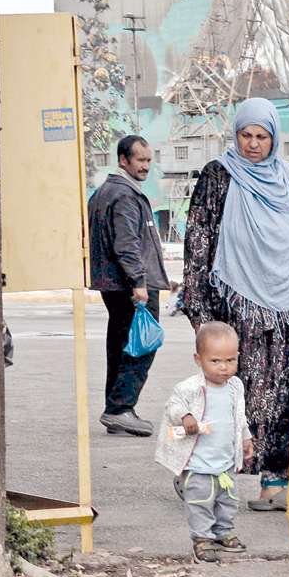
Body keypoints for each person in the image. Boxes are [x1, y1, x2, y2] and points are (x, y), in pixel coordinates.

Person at [182, 97, 289, 512]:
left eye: (262, 136)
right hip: (242, 302)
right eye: (246, 135)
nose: (253, 144)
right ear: (236, 133)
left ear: (274, 137)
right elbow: (199, 240)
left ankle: (275, 485)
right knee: (238, 394)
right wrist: (200, 311)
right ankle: (200, 471)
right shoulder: (219, 175)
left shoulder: (287, 175)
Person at [88, 135, 170, 436]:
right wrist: (139, 282)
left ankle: (118, 409)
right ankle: (120, 408)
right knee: (142, 346)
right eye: (140, 160)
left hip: (113, 284)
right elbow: (127, 244)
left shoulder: (104, 192)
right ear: (123, 160)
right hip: (132, 285)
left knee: (121, 347)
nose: (146, 166)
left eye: (148, 160)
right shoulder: (124, 195)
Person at [155, 322, 254, 563]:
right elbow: (173, 405)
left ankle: (224, 533)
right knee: (200, 502)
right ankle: (202, 539)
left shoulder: (235, 386)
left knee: (228, 501)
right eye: (216, 361)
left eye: (231, 360)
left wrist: (246, 436)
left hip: (226, 462)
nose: (224, 368)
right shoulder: (190, 388)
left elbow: (238, 415)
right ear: (199, 360)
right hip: (198, 463)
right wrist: (185, 416)